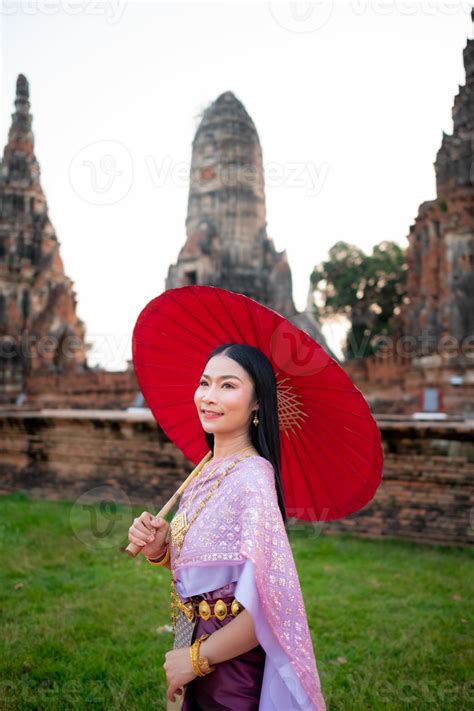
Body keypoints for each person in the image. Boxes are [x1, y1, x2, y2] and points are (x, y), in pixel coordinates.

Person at [128, 342, 326, 710]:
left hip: (229, 664)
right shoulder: (206, 472)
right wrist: (161, 548)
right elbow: (214, 569)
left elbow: (267, 606)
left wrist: (197, 659)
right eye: (205, 383)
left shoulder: (252, 479)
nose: (209, 396)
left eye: (228, 385)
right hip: (193, 638)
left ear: (257, 404)